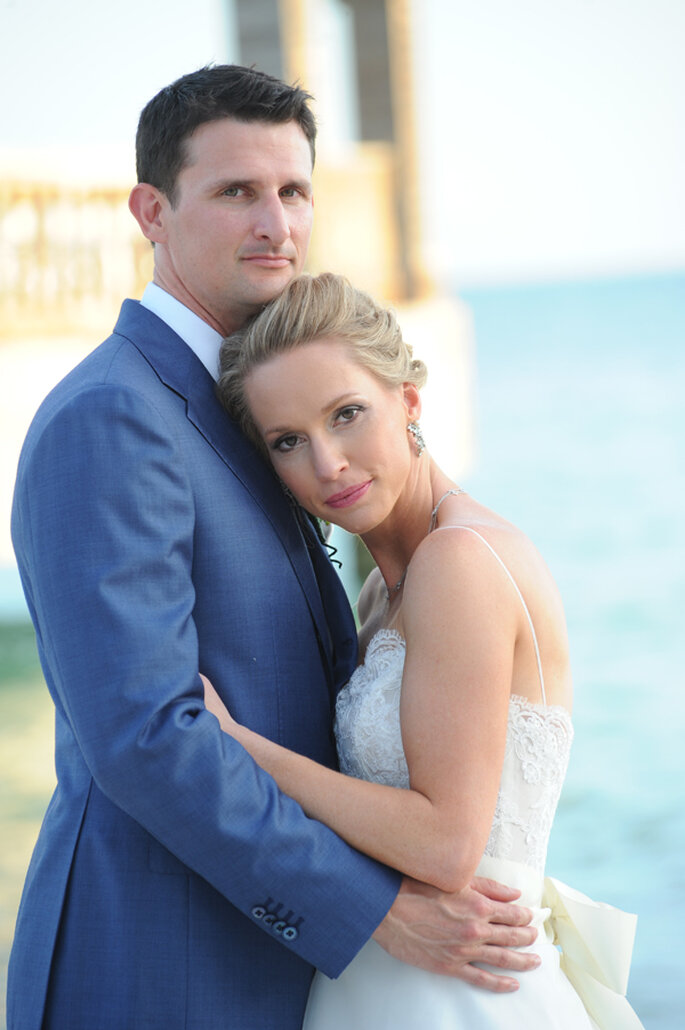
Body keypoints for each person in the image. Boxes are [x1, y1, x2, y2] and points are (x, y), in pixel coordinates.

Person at [7, 67, 539, 1030]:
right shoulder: (113, 419)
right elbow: (145, 738)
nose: (275, 224)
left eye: (293, 191)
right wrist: (372, 910)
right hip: (161, 963)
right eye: (235, 192)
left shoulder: (264, 413)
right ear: (151, 211)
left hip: (293, 969)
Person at [212, 271, 645, 1028]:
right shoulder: (381, 592)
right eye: (289, 441)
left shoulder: (458, 561)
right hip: (395, 976)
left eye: (346, 414)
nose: (327, 464)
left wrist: (242, 748)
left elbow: (447, 846)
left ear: (408, 402)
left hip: (463, 993)